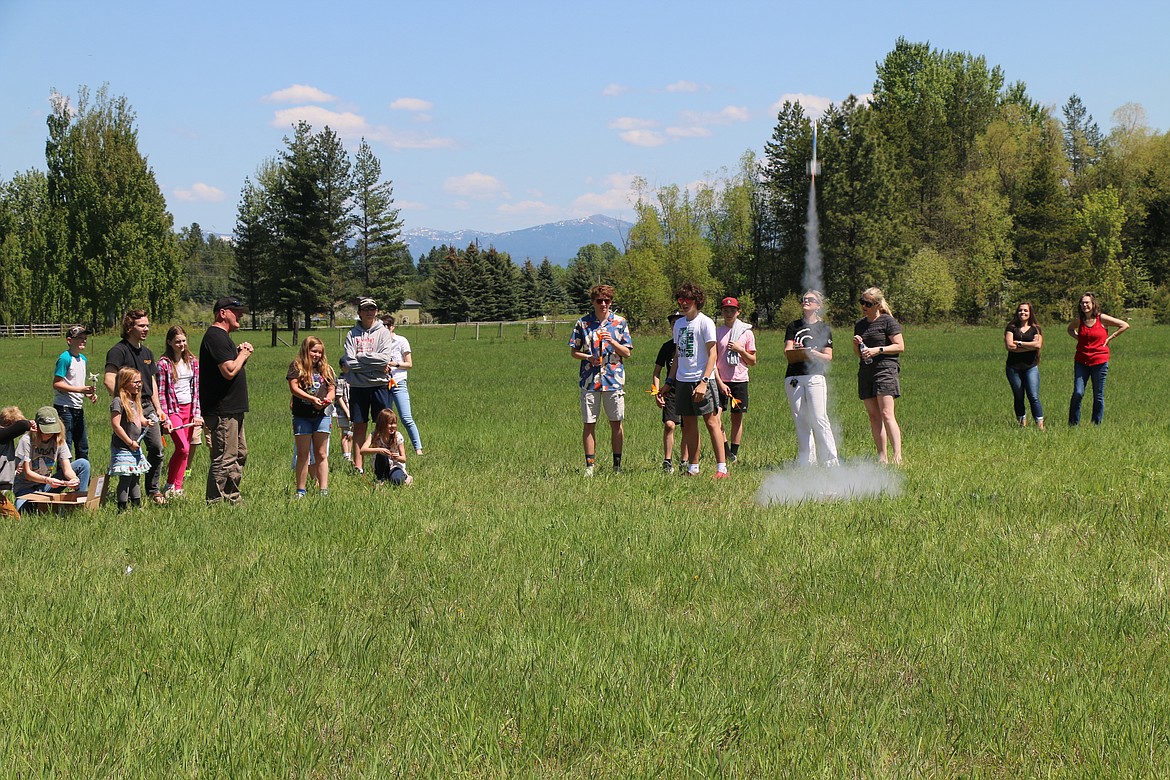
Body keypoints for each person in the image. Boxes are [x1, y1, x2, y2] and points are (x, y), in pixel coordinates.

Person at [662, 282, 728, 478]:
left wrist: (704, 382)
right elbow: (677, 355)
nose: (683, 304)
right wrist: (669, 381)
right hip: (682, 381)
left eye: (687, 300)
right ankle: (693, 467)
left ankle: (722, 468)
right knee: (688, 424)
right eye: (680, 300)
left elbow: (713, 354)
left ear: (697, 301)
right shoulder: (680, 324)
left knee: (711, 422)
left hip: (701, 379)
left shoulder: (705, 322)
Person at [104, 309, 168, 504]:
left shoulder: (147, 353)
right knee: (132, 451)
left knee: (157, 448)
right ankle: (132, 496)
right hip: (128, 407)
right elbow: (108, 379)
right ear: (129, 327)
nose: (146, 329)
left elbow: (152, 382)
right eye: (142, 325)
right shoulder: (118, 351)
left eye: (147, 325)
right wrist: (124, 403)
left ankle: (153, 489)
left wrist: (158, 408)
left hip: (147, 405)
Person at [569, 284, 633, 476]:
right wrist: (588, 357)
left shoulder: (619, 323)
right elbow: (574, 351)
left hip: (613, 380)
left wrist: (612, 341)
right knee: (589, 423)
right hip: (590, 380)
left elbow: (627, 353)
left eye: (607, 301)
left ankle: (617, 466)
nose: (604, 304)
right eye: (600, 301)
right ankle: (590, 466)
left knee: (616, 422)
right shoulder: (583, 323)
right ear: (593, 302)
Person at [199, 296, 254, 505]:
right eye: (236, 311)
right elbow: (229, 370)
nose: (240, 315)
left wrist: (239, 354)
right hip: (222, 410)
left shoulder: (224, 338)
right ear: (222, 313)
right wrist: (244, 354)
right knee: (224, 457)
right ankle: (214, 503)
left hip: (233, 408)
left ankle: (232, 498)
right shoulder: (215, 336)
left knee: (239, 454)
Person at [784, 290, 839, 466]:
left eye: (810, 300)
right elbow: (788, 351)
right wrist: (798, 351)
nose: (806, 301)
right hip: (794, 376)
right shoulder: (793, 326)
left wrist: (812, 353)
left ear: (818, 305)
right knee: (800, 418)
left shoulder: (824, 328)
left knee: (819, 417)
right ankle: (807, 462)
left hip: (815, 376)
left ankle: (831, 461)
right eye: (804, 299)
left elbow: (828, 356)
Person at [342, 297, 394, 475]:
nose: (369, 312)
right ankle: (358, 466)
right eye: (365, 309)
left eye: (372, 309)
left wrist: (362, 357)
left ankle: (384, 464)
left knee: (384, 426)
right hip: (358, 387)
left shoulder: (383, 333)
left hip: (379, 385)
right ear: (359, 313)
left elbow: (385, 359)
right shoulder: (352, 334)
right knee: (359, 426)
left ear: (377, 312)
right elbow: (349, 362)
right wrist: (372, 363)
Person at [853, 287, 905, 465]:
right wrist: (858, 345)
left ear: (876, 304)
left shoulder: (888, 321)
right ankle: (882, 457)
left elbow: (899, 346)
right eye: (862, 302)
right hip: (866, 371)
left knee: (886, 413)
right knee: (873, 416)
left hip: (885, 369)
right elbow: (858, 353)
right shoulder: (860, 324)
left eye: (867, 303)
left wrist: (877, 350)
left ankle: (897, 456)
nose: (863, 306)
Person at [11, 406, 91, 511]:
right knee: (22, 510)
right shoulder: (26, 441)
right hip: (26, 489)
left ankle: (79, 502)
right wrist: (48, 480)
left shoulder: (59, 440)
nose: (49, 434)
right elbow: (28, 473)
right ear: (37, 427)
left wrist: (74, 479)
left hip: (47, 486)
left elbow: (67, 470)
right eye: (46, 430)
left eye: (52, 430)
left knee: (83, 464)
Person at [1067, 292, 1129, 426]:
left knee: (1098, 395)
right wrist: (1079, 338)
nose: (1085, 305)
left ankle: (1096, 424)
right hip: (1081, 361)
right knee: (1078, 392)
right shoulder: (1080, 321)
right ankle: (1073, 424)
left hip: (1099, 361)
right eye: (1082, 303)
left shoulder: (1102, 319)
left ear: (1093, 304)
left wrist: (1110, 338)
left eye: (1087, 302)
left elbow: (1124, 325)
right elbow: (1070, 329)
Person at [156, 325, 203, 497]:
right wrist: (164, 417)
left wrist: (197, 413)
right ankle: (169, 484)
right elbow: (161, 393)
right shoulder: (163, 364)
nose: (181, 344)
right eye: (177, 341)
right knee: (182, 448)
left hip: (190, 408)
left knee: (187, 450)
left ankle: (178, 486)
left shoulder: (192, 361)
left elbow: (197, 389)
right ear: (169, 342)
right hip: (173, 410)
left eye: (183, 340)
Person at [288, 335, 336, 498]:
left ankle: (323, 490)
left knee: (321, 454)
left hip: (322, 415)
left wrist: (328, 399)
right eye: (313, 351)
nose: (316, 355)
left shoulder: (326, 369)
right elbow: (294, 388)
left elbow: (331, 389)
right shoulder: (296, 367)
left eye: (319, 353)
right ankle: (300, 491)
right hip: (302, 416)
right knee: (303, 454)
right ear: (306, 350)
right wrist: (311, 398)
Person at [714, 296, 756, 464]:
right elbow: (712, 360)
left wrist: (740, 350)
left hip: (739, 379)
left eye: (732, 310)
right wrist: (720, 383)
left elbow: (752, 361)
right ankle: (724, 450)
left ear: (738, 312)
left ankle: (734, 453)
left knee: (736, 418)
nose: (729, 313)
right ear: (722, 312)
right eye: (726, 310)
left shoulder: (747, 333)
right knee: (716, 417)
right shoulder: (717, 332)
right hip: (721, 380)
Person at [653, 311, 691, 474]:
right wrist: (657, 392)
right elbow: (657, 372)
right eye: (673, 323)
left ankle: (684, 460)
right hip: (670, 391)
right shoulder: (667, 347)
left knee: (687, 426)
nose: (675, 326)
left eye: (678, 322)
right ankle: (667, 461)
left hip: (688, 388)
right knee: (669, 425)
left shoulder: (690, 344)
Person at [52, 325, 98, 461]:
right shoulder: (65, 358)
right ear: (69, 340)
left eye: (85, 338)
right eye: (79, 338)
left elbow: (77, 383)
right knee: (66, 448)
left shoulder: (83, 359)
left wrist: (87, 394)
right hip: (64, 408)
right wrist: (80, 390)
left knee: (83, 447)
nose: (83, 341)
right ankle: (64, 481)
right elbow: (57, 384)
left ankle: (83, 479)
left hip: (78, 407)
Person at [109, 368, 151, 511]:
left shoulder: (134, 400)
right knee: (126, 478)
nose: (140, 385)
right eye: (136, 382)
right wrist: (129, 442)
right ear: (125, 383)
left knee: (136, 477)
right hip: (124, 447)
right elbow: (115, 425)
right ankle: (122, 508)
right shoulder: (118, 401)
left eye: (140, 382)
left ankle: (136, 506)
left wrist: (146, 422)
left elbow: (139, 418)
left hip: (134, 446)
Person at [382, 314, 424, 455]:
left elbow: (409, 364)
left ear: (392, 327)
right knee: (385, 419)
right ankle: (387, 447)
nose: (385, 328)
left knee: (406, 417)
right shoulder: (378, 343)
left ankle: (418, 448)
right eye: (382, 326)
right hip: (382, 383)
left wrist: (395, 364)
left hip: (398, 382)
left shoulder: (401, 341)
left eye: (387, 325)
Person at [1005, 302, 1044, 429]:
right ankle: (1022, 425)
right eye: (1020, 310)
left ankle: (1040, 426)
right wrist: (1029, 346)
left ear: (1030, 313)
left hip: (1030, 367)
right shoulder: (1011, 327)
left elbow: (1038, 345)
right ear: (1017, 312)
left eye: (1026, 311)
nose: (1023, 313)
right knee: (1019, 396)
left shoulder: (1036, 329)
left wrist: (1019, 343)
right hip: (1013, 367)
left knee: (1033, 396)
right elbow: (1010, 346)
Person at [361, 408, 413, 486]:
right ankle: (380, 480)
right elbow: (362, 451)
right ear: (382, 424)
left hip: (395, 466)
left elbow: (403, 459)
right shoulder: (374, 435)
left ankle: (406, 477)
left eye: (394, 423)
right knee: (381, 455)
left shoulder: (398, 436)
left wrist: (397, 457)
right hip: (381, 466)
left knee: (397, 480)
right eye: (390, 424)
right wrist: (379, 450)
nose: (393, 426)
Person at [1, 407, 35, 517]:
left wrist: (13, 469)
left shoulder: (5, 438)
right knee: (14, 518)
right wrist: (29, 424)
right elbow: (23, 425)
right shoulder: (2, 436)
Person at [334, 362, 354, 466]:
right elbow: (339, 397)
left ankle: (349, 454)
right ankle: (345, 455)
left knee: (351, 433)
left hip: (353, 409)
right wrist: (347, 411)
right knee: (345, 432)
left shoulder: (354, 378)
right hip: (342, 410)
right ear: (342, 367)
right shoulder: (341, 380)